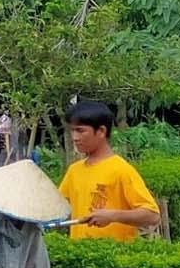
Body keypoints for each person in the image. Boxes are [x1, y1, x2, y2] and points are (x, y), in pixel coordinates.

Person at [58, 100, 160, 242]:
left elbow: (152, 215)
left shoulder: (121, 170)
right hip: (80, 256)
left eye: (80, 131)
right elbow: (57, 207)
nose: (75, 137)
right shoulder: (74, 170)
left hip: (114, 259)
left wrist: (113, 216)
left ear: (101, 131)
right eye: (72, 131)